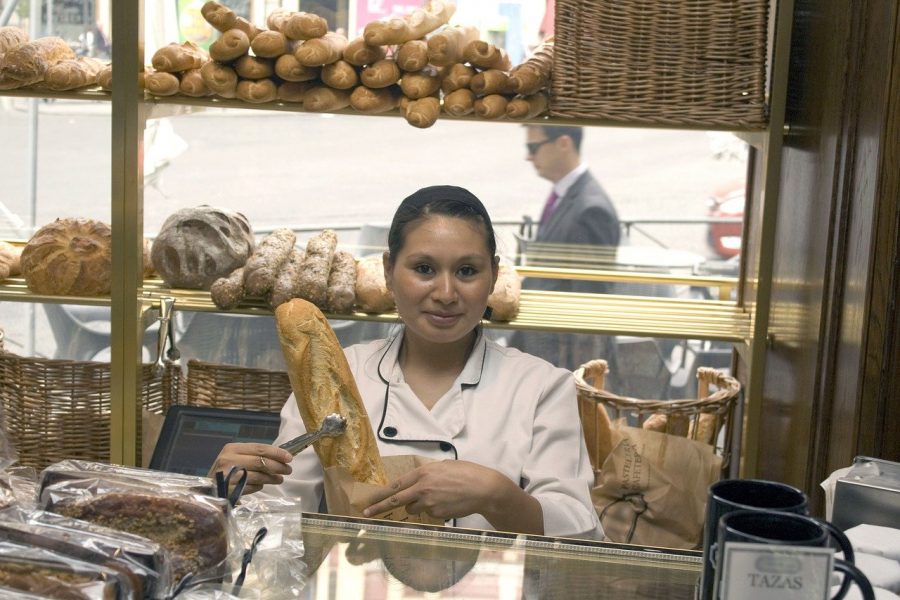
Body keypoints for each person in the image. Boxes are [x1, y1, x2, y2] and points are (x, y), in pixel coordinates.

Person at [211, 185, 602, 540]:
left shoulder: (541, 387)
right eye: (424, 269)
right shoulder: (343, 375)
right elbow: (276, 522)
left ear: (493, 276)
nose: (446, 293)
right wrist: (229, 491)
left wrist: (495, 495)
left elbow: (581, 533)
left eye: (467, 271)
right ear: (388, 271)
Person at [510, 125, 621, 372]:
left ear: (563, 143)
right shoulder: (569, 195)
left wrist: (577, 377)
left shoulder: (591, 210)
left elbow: (590, 303)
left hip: (561, 360)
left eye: (533, 147)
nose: (528, 156)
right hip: (546, 351)